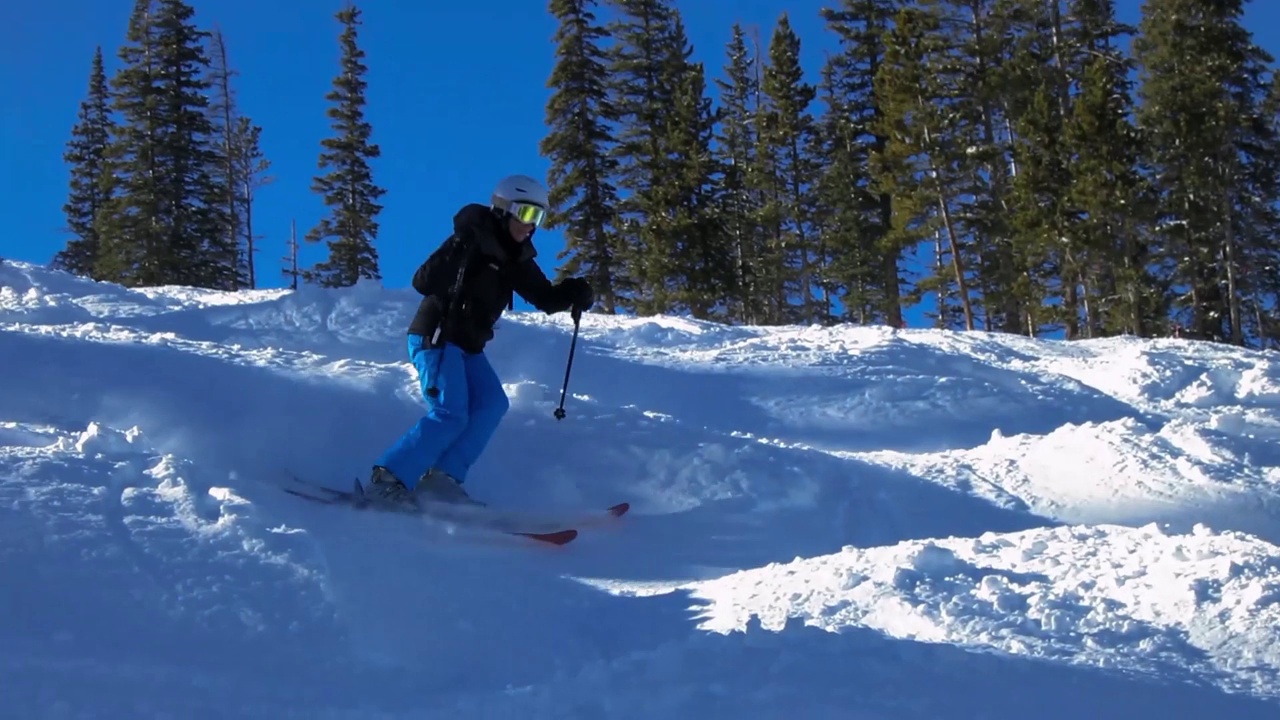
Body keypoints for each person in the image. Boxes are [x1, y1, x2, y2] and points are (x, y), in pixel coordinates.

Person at [360, 174, 594, 509]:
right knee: (450, 413)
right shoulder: (471, 240)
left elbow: (545, 297)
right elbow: (422, 282)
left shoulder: (515, 257)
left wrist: (574, 292)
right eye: (527, 215)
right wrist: (460, 245)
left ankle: (442, 478)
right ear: (504, 209)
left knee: (492, 403)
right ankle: (388, 479)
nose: (532, 226)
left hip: (468, 346)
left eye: (538, 218)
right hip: (437, 335)